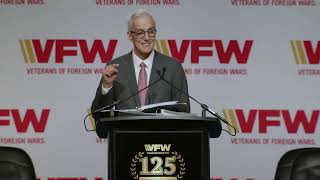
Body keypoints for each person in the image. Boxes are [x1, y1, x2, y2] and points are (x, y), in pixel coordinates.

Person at [91, 9, 190, 114]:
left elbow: (184, 110)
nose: (147, 38)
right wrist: (106, 86)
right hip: (125, 130)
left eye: (151, 31)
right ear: (130, 36)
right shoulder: (116, 68)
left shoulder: (173, 67)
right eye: (140, 33)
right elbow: (98, 113)